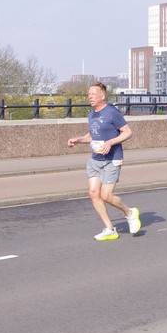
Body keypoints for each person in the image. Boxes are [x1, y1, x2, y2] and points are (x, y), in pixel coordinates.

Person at [67, 82, 140, 240]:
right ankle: (110, 229)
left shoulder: (112, 112)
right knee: (93, 194)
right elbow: (92, 135)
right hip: (96, 159)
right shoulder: (91, 114)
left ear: (102, 95)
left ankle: (130, 213)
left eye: (93, 94)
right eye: (89, 94)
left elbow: (127, 132)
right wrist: (79, 140)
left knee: (106, 196)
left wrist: (110, 142)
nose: (90, 97)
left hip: (112, 159)